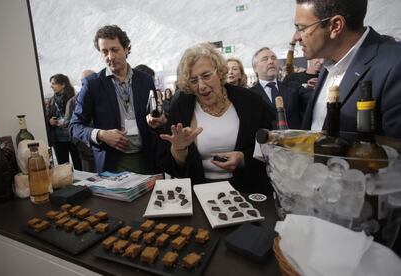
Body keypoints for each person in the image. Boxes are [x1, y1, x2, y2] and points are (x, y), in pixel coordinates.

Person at [157, 43, 274, 193]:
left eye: (206, 76)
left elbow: (271, 145)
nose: (201, 86)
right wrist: (179, 150)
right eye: (193, 81)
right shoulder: (181, 107)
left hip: (248, 191)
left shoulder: (250, 102)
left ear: (219, 73)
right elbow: (169, 164)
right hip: (200, 193)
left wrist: (243, 158)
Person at [295, 0, 401, 138]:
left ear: (335, 26)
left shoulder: (394, 65)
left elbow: (395, 152)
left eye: (302, 28)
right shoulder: (329, 62)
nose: (296, 37)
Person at [70, 25, 162, 174]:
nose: (110, 57)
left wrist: (158, 120)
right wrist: (101, 134)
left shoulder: (145, 80)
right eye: (104, 52)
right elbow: (74, 125)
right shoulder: (92, 84)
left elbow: (154, 115)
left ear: (126, 49)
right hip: (112, 164)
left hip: (148, 160)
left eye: (114, 49)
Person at [250, 47, 310, 129]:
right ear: (255, 68)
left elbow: (314, 98)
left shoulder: (293, 87)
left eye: (273, 58)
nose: (271, 61)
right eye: (265, 59)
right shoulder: (249, 95)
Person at [46, 74, 82, 170]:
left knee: (79, 165)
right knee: (63, 168)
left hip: (74, 138)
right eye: (51, 84)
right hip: (58, 139)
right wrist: (50, 121)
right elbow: (46, 117)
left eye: (54, 84)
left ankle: (82, 185)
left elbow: (81, 117)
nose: (51, 86)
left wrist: (66, 121)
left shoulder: (75, 99)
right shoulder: (50, 101)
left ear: (63, 85)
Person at [64, 69, 95, 172]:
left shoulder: (102, 98)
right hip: (86, 151)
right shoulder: (73, 102)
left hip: (106, 151)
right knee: (90, 180)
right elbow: (69, 126)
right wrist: (81, 144)